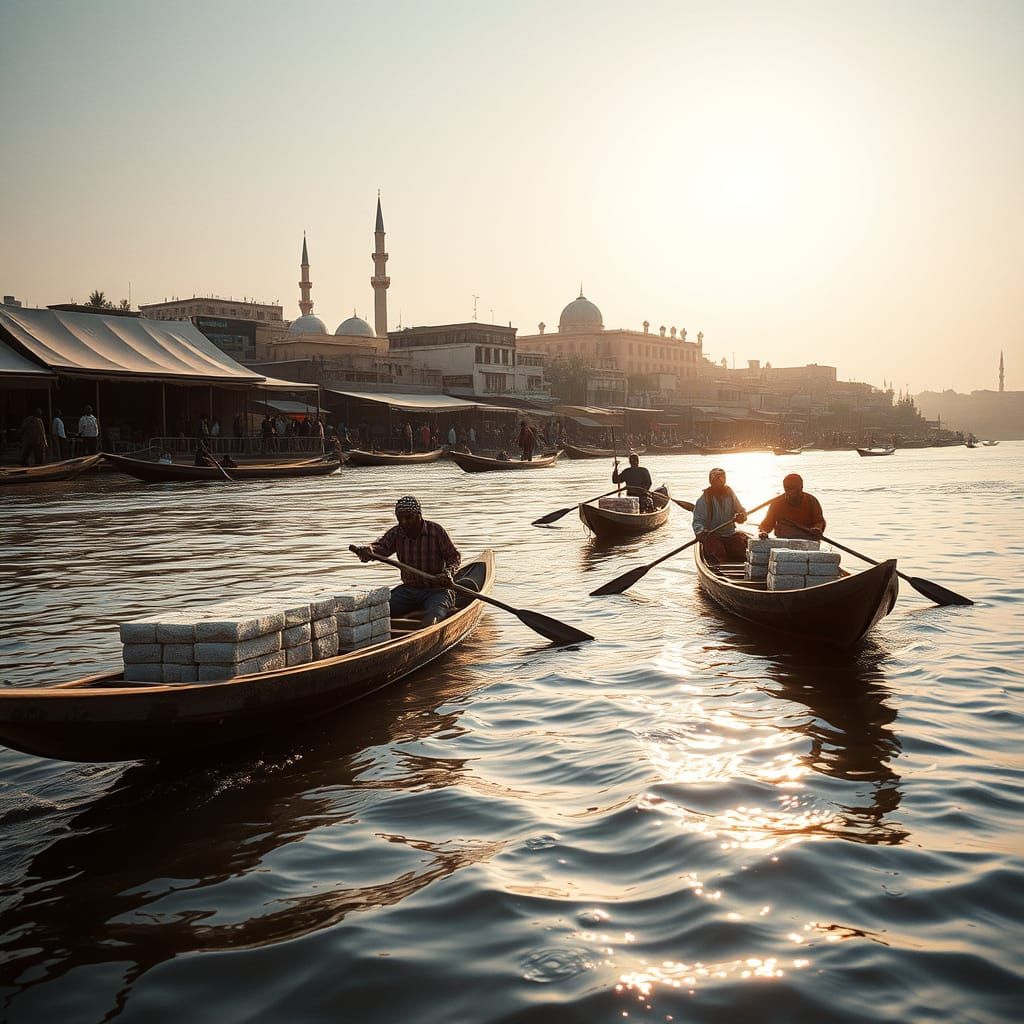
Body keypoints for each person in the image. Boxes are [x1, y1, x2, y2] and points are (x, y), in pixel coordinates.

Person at [353, 496, 461, 626]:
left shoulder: (436, 531)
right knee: (376, 613)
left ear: (418, 516)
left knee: (432, 620)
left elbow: (453, 557)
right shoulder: (397, 533)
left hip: (436, 590)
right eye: (400, 519)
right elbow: (380, 548)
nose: (404, 522)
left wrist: (448, 573)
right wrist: (368, 551)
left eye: (408, 518)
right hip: (409, 590)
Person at [692, 467, 748, 563]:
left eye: (722, 480)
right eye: (717, 480)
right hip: (713, 536)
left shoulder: (730, 494)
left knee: (741, 553)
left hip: (730, 534)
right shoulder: (703, 500)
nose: (720, 483)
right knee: (718, 554)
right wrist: (701, 531)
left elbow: (741, 511)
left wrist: (741, 516)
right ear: (712, 481)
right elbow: (697, 522)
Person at [759, 473, 826, 540]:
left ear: (801, 487)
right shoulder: (777, 503)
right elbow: (766, 525)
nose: (791, 492)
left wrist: (817, 530)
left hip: (807, 540)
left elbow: (819, 522)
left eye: (794, 488)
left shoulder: (812, 501)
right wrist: (763, 532)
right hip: (783, 540)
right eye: (787, 488)